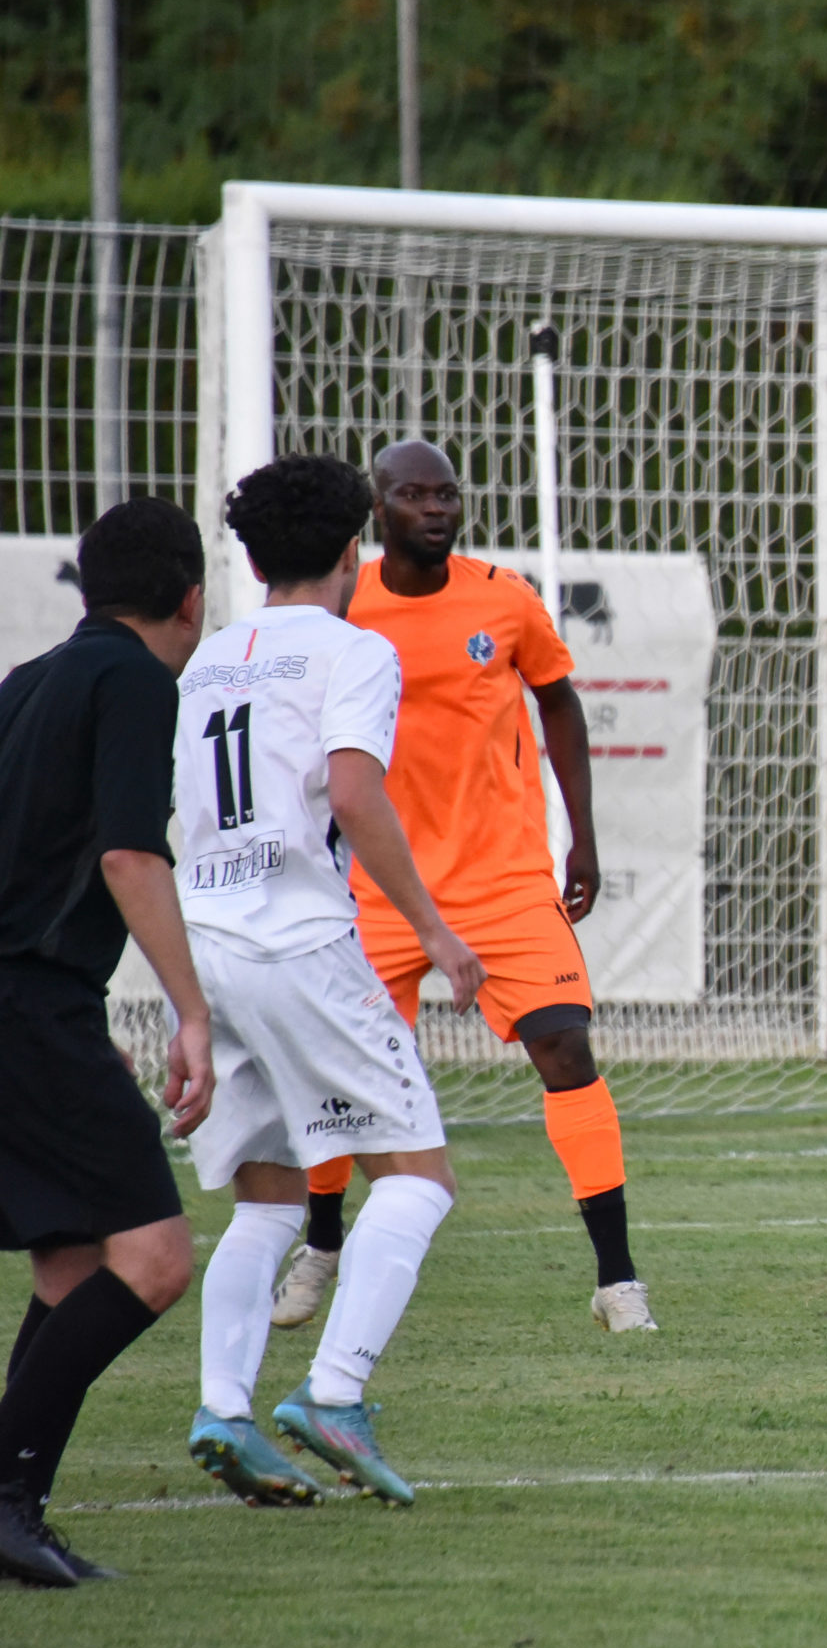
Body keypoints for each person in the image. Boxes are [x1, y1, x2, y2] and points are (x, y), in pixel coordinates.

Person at [269, 439, 656, 1333]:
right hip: (377, 888)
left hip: (504, 879)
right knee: (342, 1071)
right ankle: (321, 1242)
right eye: (415, 495)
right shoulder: (343, 604)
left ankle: (618, 1281)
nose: (436, 509)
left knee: (566, 1049)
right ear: (378, 509)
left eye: (446, 494)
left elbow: (558, 701)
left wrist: (582, 837)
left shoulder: (503, 598)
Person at [178, 456, 489, 1509]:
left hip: (209, 945)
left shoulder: (210, 659)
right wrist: (435, 931)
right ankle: (334, 1393)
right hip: (299, 940)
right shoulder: (355, 650)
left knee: (267, 1197)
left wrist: (185, 1004)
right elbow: (353, 793)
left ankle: (224, 1409)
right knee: (417, 1174)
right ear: (356, 548)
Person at [0, 498, 211, 1585]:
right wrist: (190, 1012)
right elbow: (131, 855)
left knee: (72, 1258)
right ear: (192, 599)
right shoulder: (136, 680)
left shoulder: (28, 681)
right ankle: (3, 1502)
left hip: (35, 1007)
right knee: (156, 1259)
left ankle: (14, 1509)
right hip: (29, 1004)